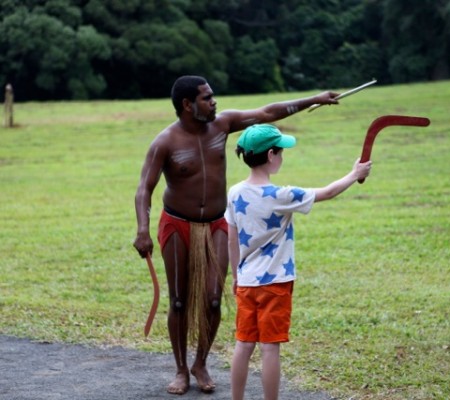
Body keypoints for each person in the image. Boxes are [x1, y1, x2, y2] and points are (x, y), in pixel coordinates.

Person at [133, 75, 340, 395]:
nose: (214, 102)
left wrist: (313, 99)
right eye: (206, 98)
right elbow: (144, 189)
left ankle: (201, 363)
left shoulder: (222, 124)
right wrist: (143, 230)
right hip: (177, 225)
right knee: (177, 301)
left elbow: (268, 113)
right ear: (188, 105)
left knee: (214, 299)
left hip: (218, 223)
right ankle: (180, 369)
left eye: (212, 96)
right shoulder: (165, 143)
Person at [225, 124, 372, 400]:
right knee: (270, 348)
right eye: (281, 152)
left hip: (246, 282)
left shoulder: (234, 193)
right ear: (271, 155)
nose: (282, 157)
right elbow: (327, 192)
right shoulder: (282, 195)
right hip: (276, 285)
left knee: (243, 345)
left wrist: (235, 275)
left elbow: (231, 238)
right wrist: (355, 173)